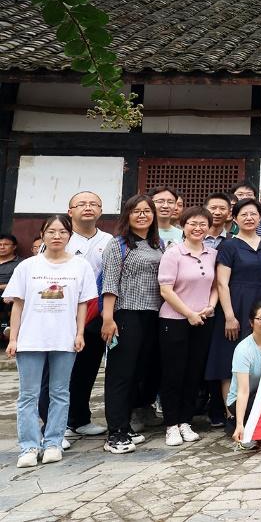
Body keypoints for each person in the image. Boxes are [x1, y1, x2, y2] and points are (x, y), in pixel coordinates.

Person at [5, 215, 96, 468]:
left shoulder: (80, 266)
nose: (57, 236)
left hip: (64, 338)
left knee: (60, 392)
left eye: (62, 232)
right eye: (51, 231)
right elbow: (18, 305)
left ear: (70, 236)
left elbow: (82, 304)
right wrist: (14, 338)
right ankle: (29, 446)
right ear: (43, 234)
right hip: (30, 339)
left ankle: (53, 442)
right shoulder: (28, 266)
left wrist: (79, 333)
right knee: (28, 395)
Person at [100, 194, 164, 455]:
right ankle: (115, 432)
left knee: (139, 372)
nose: (142, 215)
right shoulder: (118, 245)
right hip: (125, 314)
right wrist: (108, 318)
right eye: (136, 211)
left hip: (153, 314)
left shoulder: (158, 244)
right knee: (121, 374)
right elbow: (109, 283)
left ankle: (125, 425)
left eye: (147, 211)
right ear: (127, 215)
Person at [206, 199, 261, 428]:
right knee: (229, 360)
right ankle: (232, 416)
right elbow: (222, 283)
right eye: (243, 214)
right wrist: (229, 315)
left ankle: (256, 414)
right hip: (235, 305)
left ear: (260, 217)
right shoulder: (229, 246)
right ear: (234, 218)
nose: (249, 218)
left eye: (253, 214)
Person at [157, 206, 218, 447]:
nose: (198, 228)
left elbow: (215, 286)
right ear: (183, 225)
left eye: (203, 224)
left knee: (194, 373)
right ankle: (171, 425)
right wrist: (189, 313)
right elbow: (166, 290)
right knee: (174, 374)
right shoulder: (173, 253)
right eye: (193, 223)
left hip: (203, 320)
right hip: (174, 321)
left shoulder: (212, 253)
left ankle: (185, 421)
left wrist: (210, 307)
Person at [62, 191, 112, 437]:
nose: (88, 207)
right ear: (70, 211)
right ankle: (58, 423)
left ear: (101, 210)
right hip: (65, 311)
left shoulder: (109, 240)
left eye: (94, 204)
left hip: (97, 312)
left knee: (87, 368)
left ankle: (79, 419)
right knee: (61, 370)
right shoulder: (62, 237)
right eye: (81, 204)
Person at [227, 300, 261, 451]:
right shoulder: (244, 350)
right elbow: (243, 391)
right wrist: (240, 424)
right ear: (251, 322)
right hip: (244, 399)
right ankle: (241, 425)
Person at [0, 232, 19, 342]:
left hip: (8, 293)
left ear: (14, 247)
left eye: (6, 244)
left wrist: (4, 287)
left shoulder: (21, 263)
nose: (2, 247)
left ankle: (6, 328)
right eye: (0, 244)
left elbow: (21, 283)